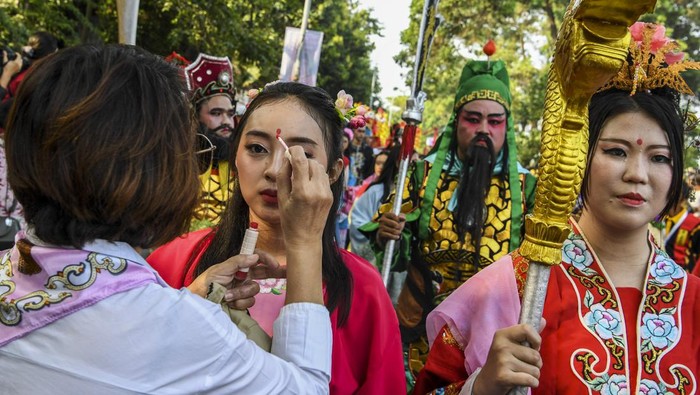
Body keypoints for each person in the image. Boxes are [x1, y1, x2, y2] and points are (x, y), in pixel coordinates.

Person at [0, 44, 333, 393]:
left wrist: (189, 300)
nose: (274, 171)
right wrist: (306, 243)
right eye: (256, 148)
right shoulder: (177, 319)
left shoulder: (175, 313)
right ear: (154, 171)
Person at [415, 22, 700, 394]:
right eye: (616, 151)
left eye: (659, 158)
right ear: (579, 156)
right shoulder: (516, 286)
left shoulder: (693, 301)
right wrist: (481, 387)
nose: (637, 174)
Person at [147, 81, 406, 394]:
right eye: (257, 148)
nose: (273, 170)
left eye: (299, 155)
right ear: (236, 154)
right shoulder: (174, 259)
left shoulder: (363, 289)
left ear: (334, 171)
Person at [363, 57, 537, 388]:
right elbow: (389, 243)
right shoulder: (420, 174)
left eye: (495, 121)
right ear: (456, 122)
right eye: (473, 120)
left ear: (506, 127)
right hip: (420, 327)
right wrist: (389, 233)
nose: (484, 130)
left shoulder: (529, 188)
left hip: (492, 334)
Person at [185, 53, 237, 228]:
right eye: (216, 113)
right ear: (195, 116)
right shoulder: (177, 161)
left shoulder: (242, 163)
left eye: (230, 114)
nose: (226, 122)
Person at [664, 182, 700, 273]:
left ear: (683, 200)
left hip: (682, 275)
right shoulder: (658, 219)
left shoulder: (695, 226)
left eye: (673, 196)